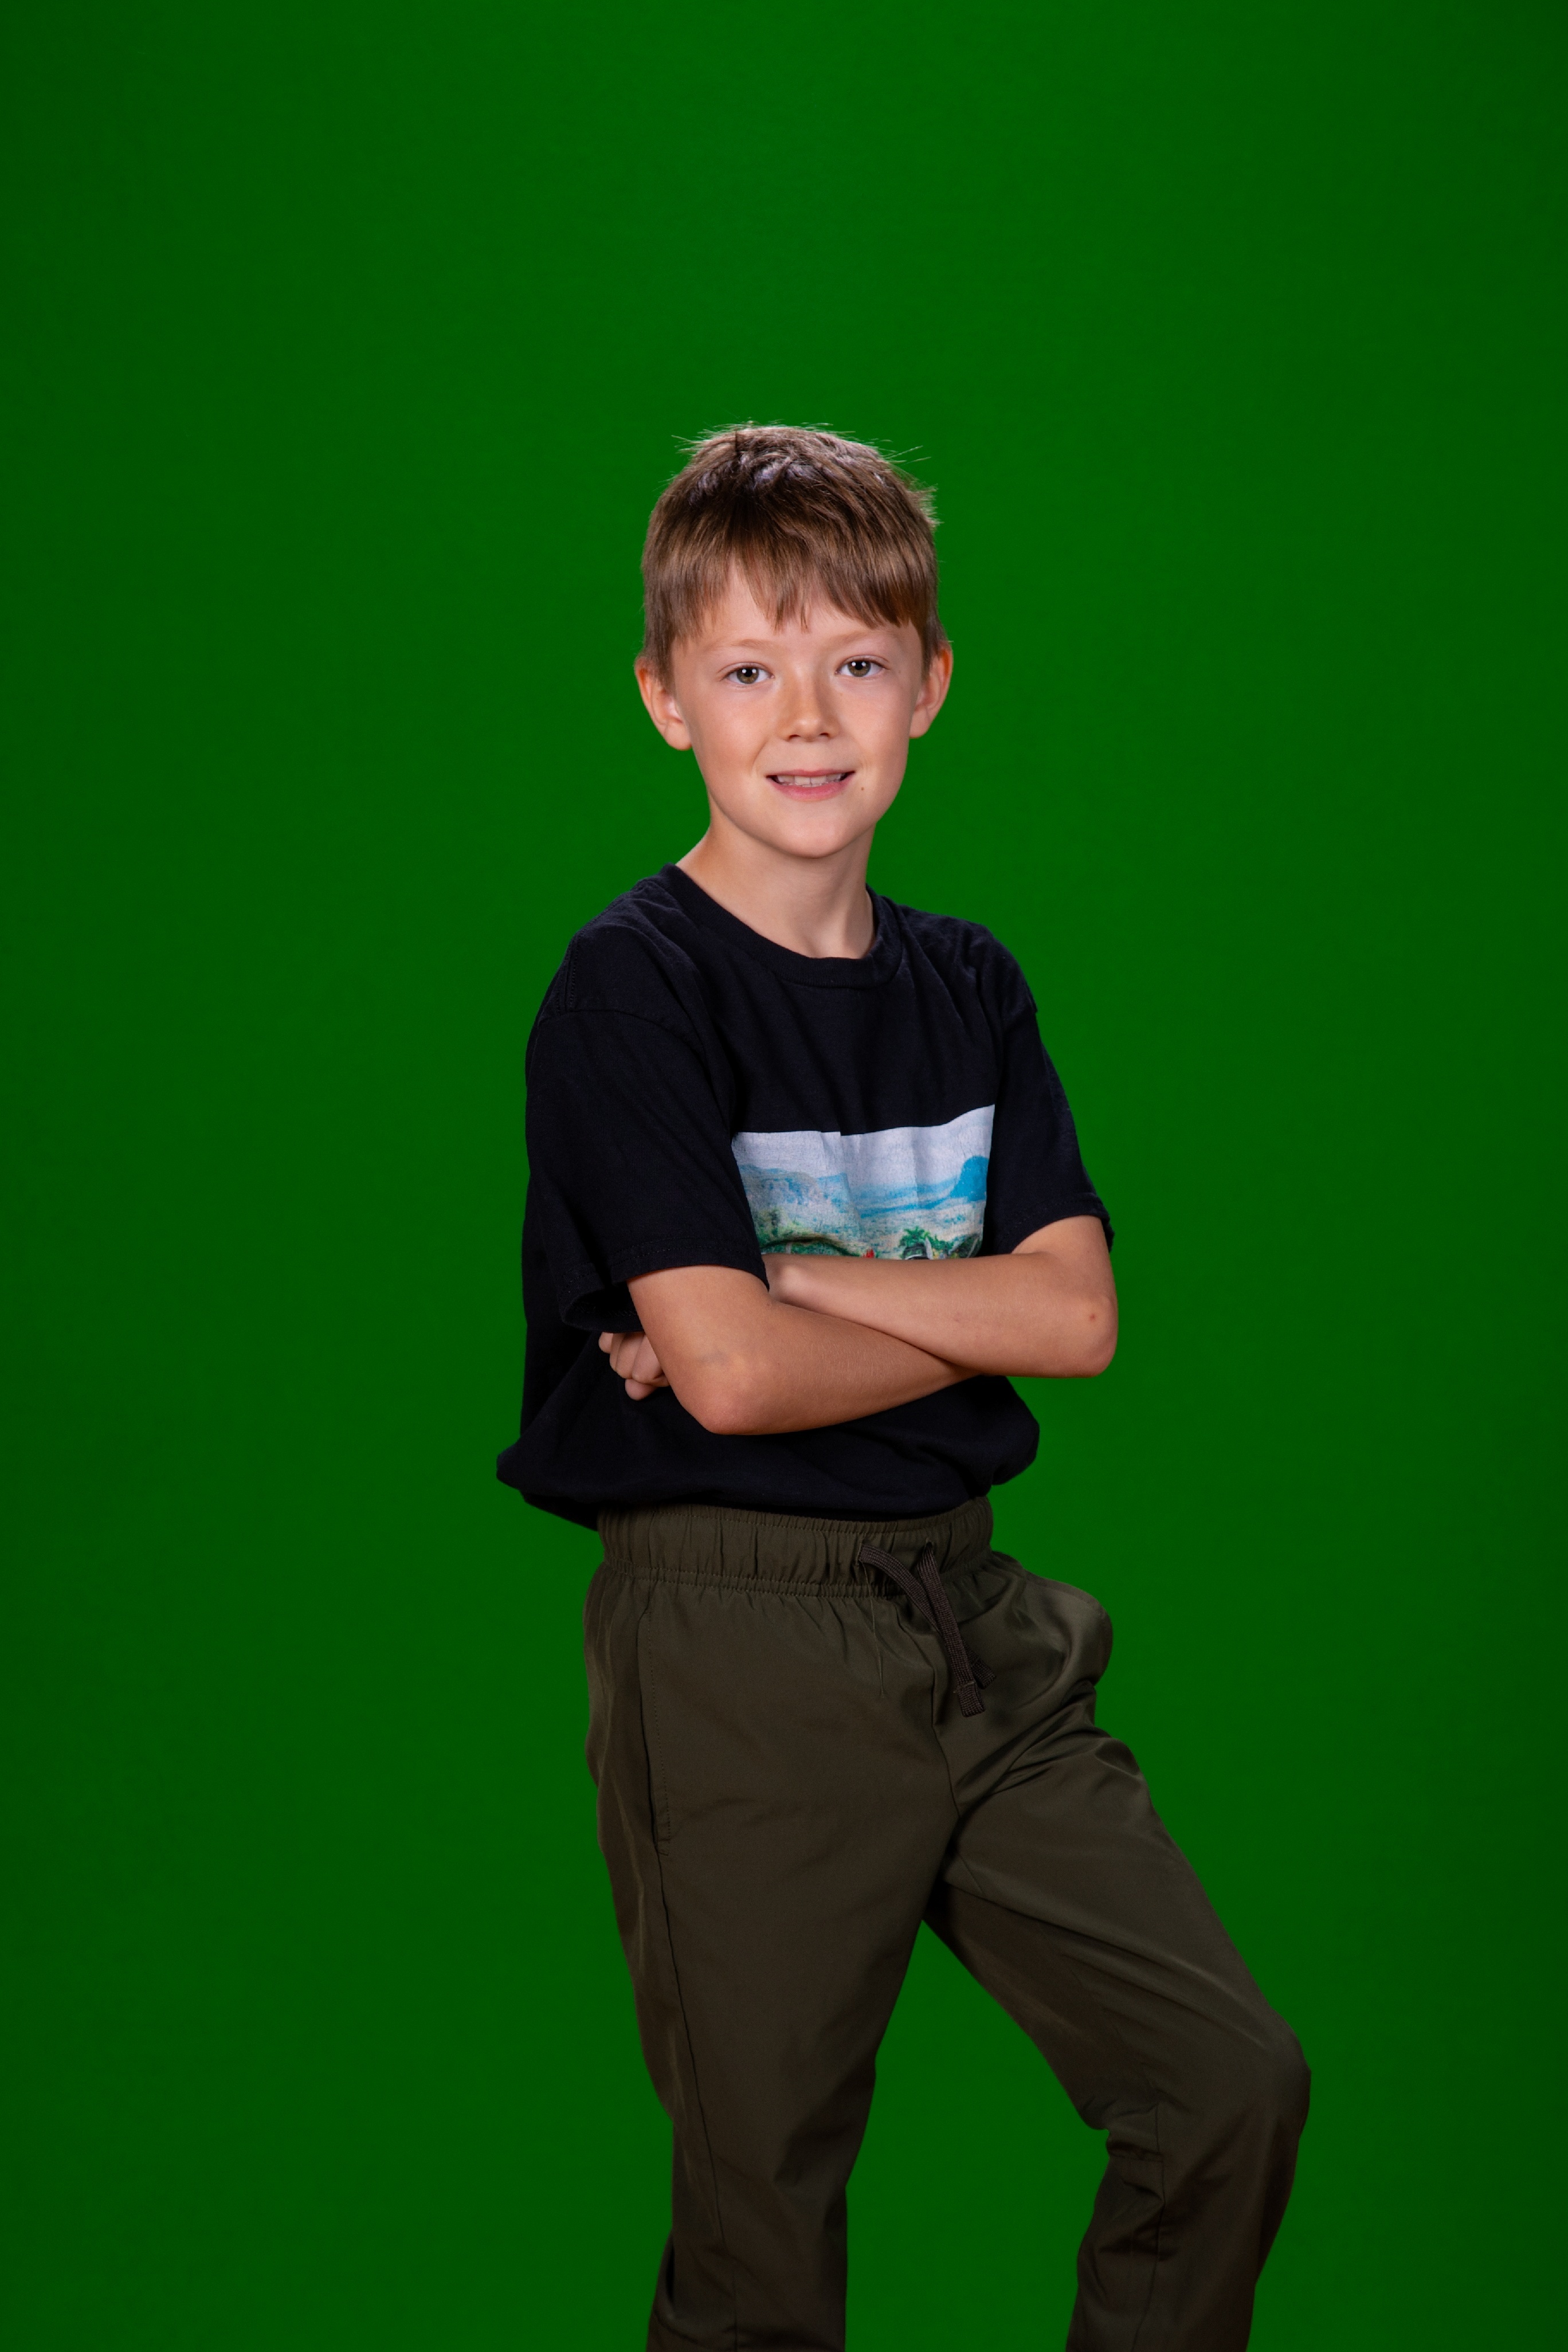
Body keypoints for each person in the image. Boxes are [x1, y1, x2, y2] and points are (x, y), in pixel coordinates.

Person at [497, 425, 1308, 2351]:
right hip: (738, 1654)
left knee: (1227, 2085)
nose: (807, 717)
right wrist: (939, 1306)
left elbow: (1082, 1320)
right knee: (765, 2238)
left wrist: (787, 1273)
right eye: (748, 668)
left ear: (929, 684)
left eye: (856, 661)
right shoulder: (632, 989)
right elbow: (727, 1383)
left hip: (974, 1621)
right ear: (664, 696)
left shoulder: (971, 989)